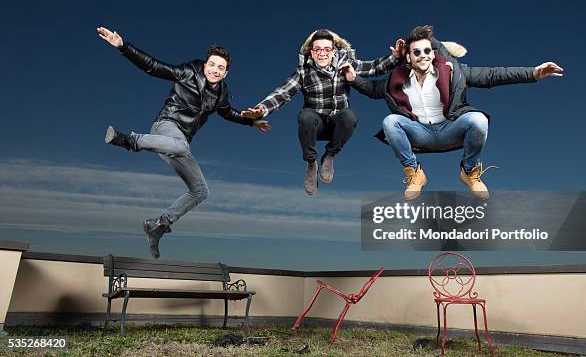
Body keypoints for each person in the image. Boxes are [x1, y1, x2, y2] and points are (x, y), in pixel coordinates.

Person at [97, 26, 271, 258]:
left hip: (178, 142)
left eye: (221, 68)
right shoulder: (188, 72)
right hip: (165, 127)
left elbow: (228, 113)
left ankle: (158, 224)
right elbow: (154, 67)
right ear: (205, 64)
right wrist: (123, 46)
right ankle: (129, 140)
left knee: (200, 191)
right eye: (212, 65)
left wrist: (251, 122)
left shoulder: (222, 94)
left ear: (226, 72)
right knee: (181, 146)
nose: (215, 70)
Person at [348, 25, 563, 200]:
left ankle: (469, 171)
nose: (423, 56)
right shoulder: (395, 80)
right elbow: (371, 89)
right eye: (416, 52)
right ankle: (414, 173)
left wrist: (533, 73)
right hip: (419, 133)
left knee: (477, 119)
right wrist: (352, 78)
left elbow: (494, 75)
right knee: (390, 121)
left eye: (427, 51)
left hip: (450, 128)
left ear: (433, 53)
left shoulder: (454, 72)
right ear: (409, 58)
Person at [241, 29, 402, 195]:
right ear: (312, 52)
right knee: (305, 116)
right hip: (315, 126)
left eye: (327, 49)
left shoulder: (345, 64)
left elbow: (374, 67)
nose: (322, 54)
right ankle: (311, 164)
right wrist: (261, 109)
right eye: (318, 49)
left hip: (337, 127)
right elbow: (282, 93)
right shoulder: (303, 72)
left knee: (350, 115)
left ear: (333, 51)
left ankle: (329, 155)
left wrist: (396, 57)